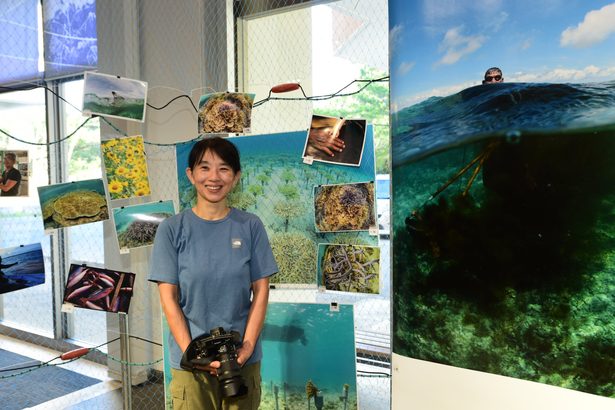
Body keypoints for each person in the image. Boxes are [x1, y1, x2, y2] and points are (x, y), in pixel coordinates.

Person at [148, 136, 278, 410]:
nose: (214, 177)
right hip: (190, 364)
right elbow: (168, 298)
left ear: (236, 176)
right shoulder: (171, 230)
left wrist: (247, 347)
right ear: (191, 174)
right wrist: (192, 353)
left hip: (242, 361)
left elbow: (261, 290)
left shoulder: (250, 226)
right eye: (204, 167)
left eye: (224, 168)